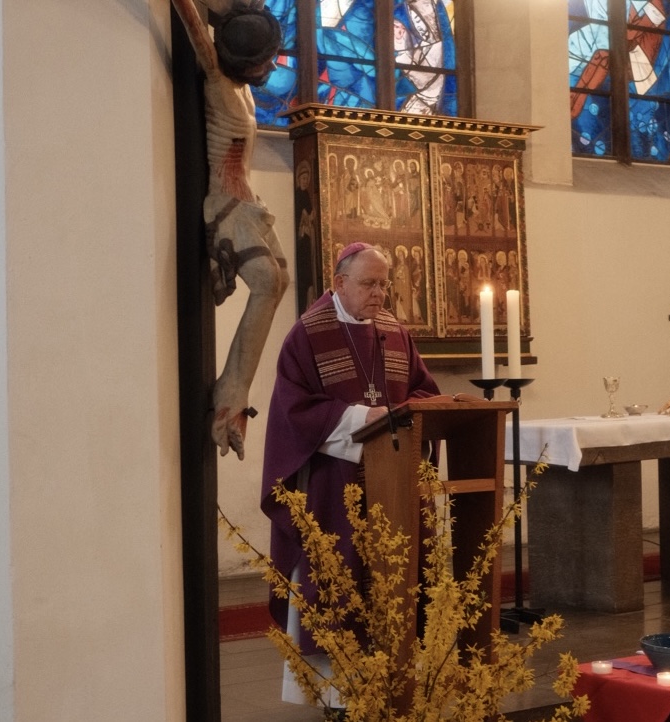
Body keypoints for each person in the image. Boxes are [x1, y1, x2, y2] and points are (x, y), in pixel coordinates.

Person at [261, 242, 440, 707]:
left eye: (384, 284)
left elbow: (425, 392)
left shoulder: (395, 332)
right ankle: (338, 696)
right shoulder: (307, 335)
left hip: (394, 482)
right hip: (334, 483)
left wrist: (401, 415)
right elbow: (294, 410)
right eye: (368, 284)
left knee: (398, 574)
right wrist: (366, 418)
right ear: (339, 283)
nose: (379, 293)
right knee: (336, 576)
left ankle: (395, 680)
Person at [171, 0, 290, 460]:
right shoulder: (219, 82)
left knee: (280, 280)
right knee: (266, 282)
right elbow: (193, 24)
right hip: (226, 205)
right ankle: (230, 396)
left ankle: (233, 387)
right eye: (264, 61)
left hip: (249, 204)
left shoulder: (243, 90)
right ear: (241, 61)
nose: (271, 67)